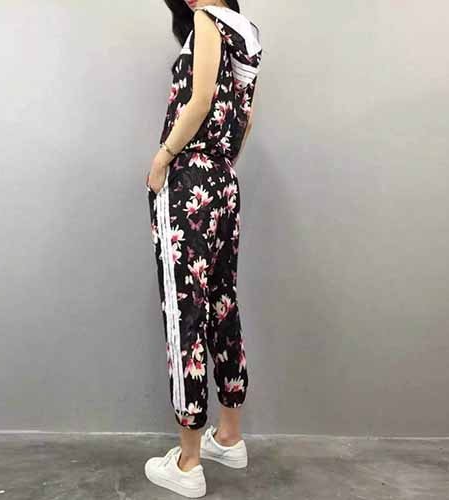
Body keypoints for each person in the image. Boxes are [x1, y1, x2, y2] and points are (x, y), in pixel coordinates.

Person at [144, 0, 263, 496]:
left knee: (184, 312)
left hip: (188, 181)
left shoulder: (207, 21)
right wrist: (219, 160)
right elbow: (245, 121)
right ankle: (229, 437)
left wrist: (164, 157)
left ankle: (188, 462)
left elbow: (198, 101)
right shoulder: (247, 34)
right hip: (223, 181)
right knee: (221, 303)